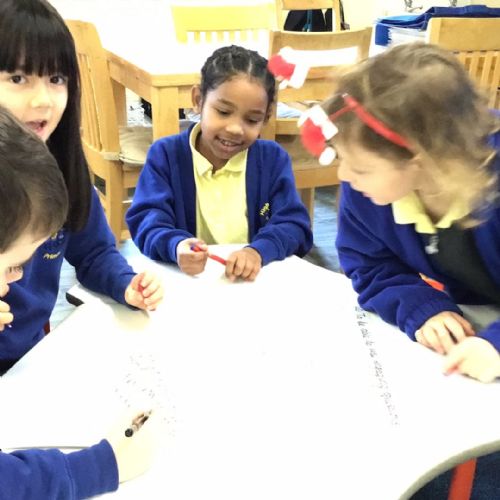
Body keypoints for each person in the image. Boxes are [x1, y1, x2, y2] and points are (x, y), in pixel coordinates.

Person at [314, 42, 500, 383]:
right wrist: (420, 306)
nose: (344, 175)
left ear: (422, 160)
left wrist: (496, 346)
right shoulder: (367, 192)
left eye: (362, 168)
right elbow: (369, 264)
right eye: (341, 159)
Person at [0, 105, 157, 498]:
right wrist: (95, 468)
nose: (16, 280)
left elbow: (94, 251)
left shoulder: (52, 173)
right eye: (11, 266)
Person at [0, 0, 164, 372]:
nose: (43, 100)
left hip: (30, 360)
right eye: (18, 78)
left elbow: (94, 253)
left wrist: (126, 284)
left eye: (56, 79)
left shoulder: (62, 173)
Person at [126, 45, 313, 281]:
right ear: (198, 100)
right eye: (223, 112)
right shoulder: (165, 155)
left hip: (252, 285)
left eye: (252, 120)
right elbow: (147, 220)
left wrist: (257, 251)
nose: (235, 128)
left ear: (266, 118)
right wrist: (176, 245)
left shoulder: (272, 160)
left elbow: (294, 225)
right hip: (188, 283)